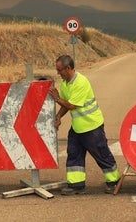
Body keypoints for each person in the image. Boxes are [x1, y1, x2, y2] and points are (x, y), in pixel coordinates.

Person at [48, 54, 120, 195]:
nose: (58, 73)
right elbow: (66, 104)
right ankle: (76, 185)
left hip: (91, 126)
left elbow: (72, 105)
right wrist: (58, 116)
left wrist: (56, 98)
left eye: (60, 70)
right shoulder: (65, 83)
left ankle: (114, 182)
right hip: (78, 127)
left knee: (101, 154)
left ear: (68, 68)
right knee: (74, 153)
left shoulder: (80, 82)